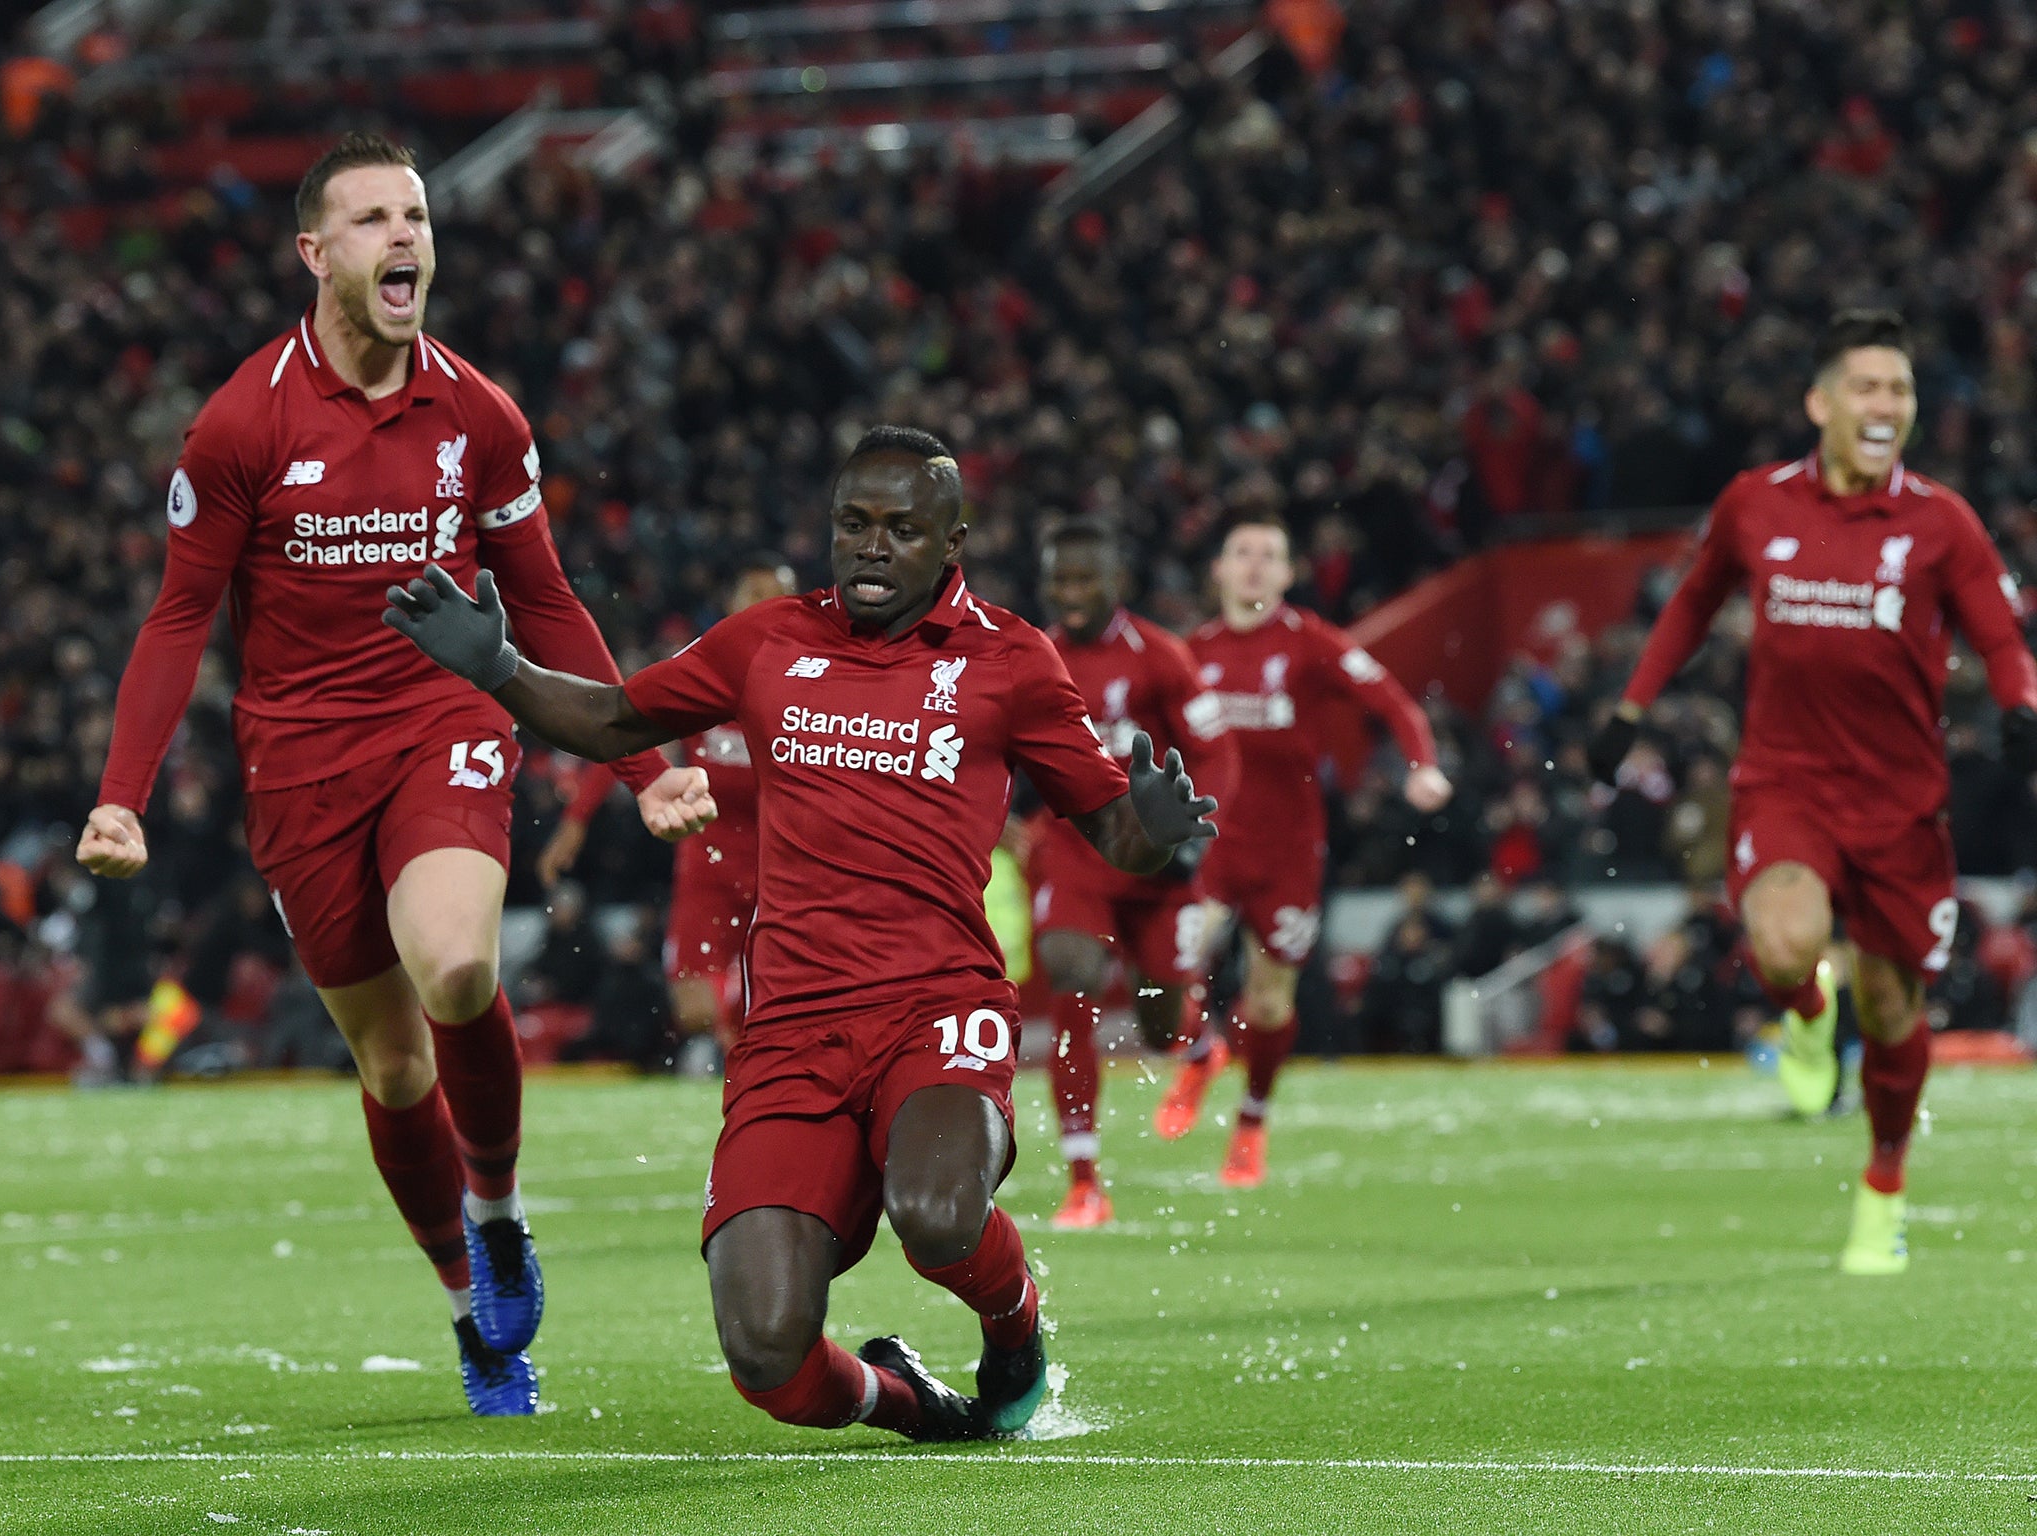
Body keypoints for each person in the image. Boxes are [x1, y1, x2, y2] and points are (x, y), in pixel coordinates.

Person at [381, 425, 1219, 1441]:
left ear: (951, 541)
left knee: (939, 1215)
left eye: (901, 529)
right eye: (852, 525)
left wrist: (1158, 835)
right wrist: (500, 667)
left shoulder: (1011, 661)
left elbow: (1113, 830)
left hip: (938, 1007)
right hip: (791, 1033)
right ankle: (919, 1408)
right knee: (766, 1355)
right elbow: (612, 719)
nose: (871, 547)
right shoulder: (767, 639)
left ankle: (1015, 1331)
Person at [73, 133, 709, 1414]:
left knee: (458, 964)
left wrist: (646, 763)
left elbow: (543, 597)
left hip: (441, 718)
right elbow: (176, 619)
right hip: (298, 757)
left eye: (414, 214)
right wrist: (120, 793)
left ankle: (502, 1212)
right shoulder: (242, 420)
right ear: (317, 254)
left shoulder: (479, 412)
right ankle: (473, 1309)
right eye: (371, 219)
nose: (403, 236)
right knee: (393, 1066)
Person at [1588, 309, 2037, 1275]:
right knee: (1784, 939)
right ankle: (1801, 1013)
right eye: (1869, 388)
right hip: (1785, 778)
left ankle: (1883, 1186)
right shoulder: (1756, 504)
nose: (1887, 407)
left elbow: (2000, 635)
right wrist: (1629, 711)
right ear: (1820, 403)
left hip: (1901, 801)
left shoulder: (1940, 520)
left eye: (1901, 392)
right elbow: (1695, 601)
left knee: (1891, 1009)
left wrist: (2020, 704)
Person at [1180, 517, 1452, 1186]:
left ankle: (1250, 1122)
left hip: (1289, 853)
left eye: (1268, 555)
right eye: (1241, 552)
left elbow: (1393, 701)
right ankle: (1201, 1052)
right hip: (1210, 842)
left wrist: (1421, 764)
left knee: (1270, 1004)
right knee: (1168, 965)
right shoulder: (1191, 652)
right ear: (1217, 569)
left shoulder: (1310, 643)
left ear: (1287, 574)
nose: (1253, 565)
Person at [1029, 519, 1237, 1228]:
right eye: (1060, 580)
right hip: (1075, 850)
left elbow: (1216, 752)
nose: (1071, 594)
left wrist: (1195, 831)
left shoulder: (1162, 656)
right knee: (1070, 971)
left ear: (1117, 581)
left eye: (1085, 579)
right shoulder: (1033, 657)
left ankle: (1201, 1047)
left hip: (1155, 861)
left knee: (1157, 1026)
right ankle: (1084, 1181)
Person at [536, 557, 798, 1065]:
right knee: (693, 1011)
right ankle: (739, 1034)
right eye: (754, 594)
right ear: (733, 607)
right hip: (710, 868)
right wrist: (574, 823)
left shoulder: (817, 683)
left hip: (786, 871)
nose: (765, 607)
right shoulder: (705, 671)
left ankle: (751, 1067)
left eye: (777, 596)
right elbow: (627, 732)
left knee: (780, 1006)